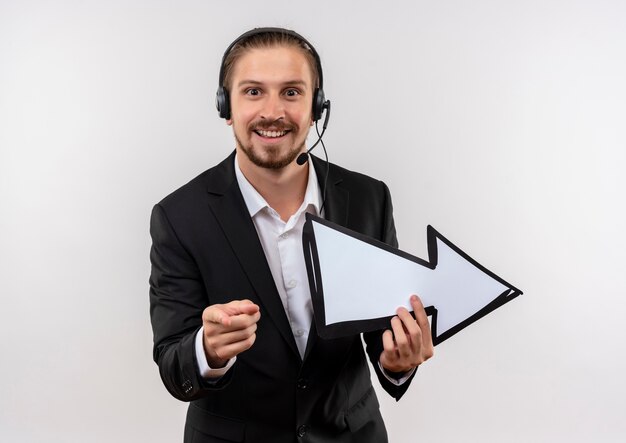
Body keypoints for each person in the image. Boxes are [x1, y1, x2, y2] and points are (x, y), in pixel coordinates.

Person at [149, 27, 434, 443]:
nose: (272, 111)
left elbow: (382, 337)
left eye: (292, 92)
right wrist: (207, 350)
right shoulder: (179, 216)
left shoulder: (369, 199)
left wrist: (398, 361)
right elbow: (174, 363)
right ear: (225, 106)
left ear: (317, 106)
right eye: (252, 92)